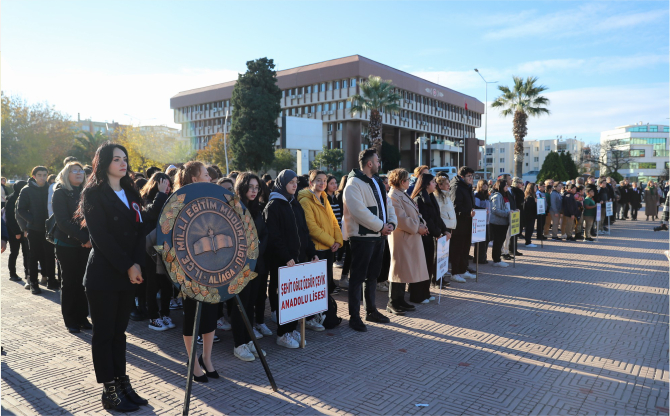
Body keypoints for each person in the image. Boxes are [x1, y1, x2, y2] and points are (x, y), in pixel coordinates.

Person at [75, 143, 148, 411]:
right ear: (104, 163)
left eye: (125, 159)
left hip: (129, 272)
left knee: (120, 333)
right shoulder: (93, 194)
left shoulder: (131, 191)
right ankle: (109, 390)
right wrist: (128, 265)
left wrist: (138, 263)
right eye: (116, 159)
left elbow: (140, 231)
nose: (122, 163)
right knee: (104, 334)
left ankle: (121, 382)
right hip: (104, 275)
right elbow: (100, 238)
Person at [171, 162, 222, 381]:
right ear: (194, 178)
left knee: (211, 314)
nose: (210, 178)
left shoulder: (212, 200)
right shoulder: (178, 202)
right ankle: (193, 363)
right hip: (189, 270)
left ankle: (207, 358)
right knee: (192, 315)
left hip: (212, 267)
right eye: (205, 175)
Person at [341, 149, 397, 332]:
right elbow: (359, 212)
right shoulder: (353, 184)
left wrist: (392, 223)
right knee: (357, 278)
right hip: (362, 238)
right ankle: (354, 316)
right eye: (377, 161)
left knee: (372, 276)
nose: (379, 164)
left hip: (378, 236)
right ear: (369, 163)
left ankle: (371, 310)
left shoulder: (376, 181)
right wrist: (381, 226)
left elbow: (387, 203)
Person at [264, 169, 319, 348]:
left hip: (299, 259)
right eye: (291, 182)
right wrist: (286, 257)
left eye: (296, 182)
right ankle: (282, 333)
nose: (295, 185)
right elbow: (274, 237)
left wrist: (311, 252)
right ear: (282, 184)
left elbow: (304, 231)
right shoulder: (273, 206)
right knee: (285, 299)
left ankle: (291, 328)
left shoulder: (295, 204)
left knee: (297, 298)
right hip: (284, 261)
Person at [229, 172, 269, 361]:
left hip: (257, 265)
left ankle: (249, 339)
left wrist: (259, 249)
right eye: (250, 187)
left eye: (256, 188)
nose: (254, 191)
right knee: (241, 306)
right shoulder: (234, 208)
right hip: (240, 266)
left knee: (251, 304)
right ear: (242, 187)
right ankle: (239, 344)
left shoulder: (257, 208)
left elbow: (264, 234)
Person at [297, 170, 343, 329]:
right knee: (314, 286)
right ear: (311, 183)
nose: (322, 183)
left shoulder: (325, 198)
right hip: (317, 249)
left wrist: (338, 240)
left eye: (324, 180)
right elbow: (312, 228)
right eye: (318, 180)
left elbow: (334, 222)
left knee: (325, 285)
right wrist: (332, 242)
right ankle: (310, 318)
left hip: (329, 248)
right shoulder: (305, 200)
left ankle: (321, 314)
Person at [52, 162, 92, 333]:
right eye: (74, 171)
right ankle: (71, 320)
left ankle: (83, 317)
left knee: (84, 282)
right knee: (70, 282)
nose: (79, 173)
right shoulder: (60, 193)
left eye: (81, 170)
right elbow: (62, 221)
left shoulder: (87, 193)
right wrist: (83, 238)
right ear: (66, 174)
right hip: (67, 244)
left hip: (87, 244)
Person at [386, 168, 427, 314]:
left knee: (404, 270)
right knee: (398, 269)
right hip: (401, 238)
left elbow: (414, 213)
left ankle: (400, 300)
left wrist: (422, 224)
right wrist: (418, 228)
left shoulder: (401, 194)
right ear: (402, 181)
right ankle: (392, 302)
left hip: (408, 237)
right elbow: (401, 219)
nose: (409, 182)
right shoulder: (393, 196)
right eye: (408, 180)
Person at [139, 173, 173, 332]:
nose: (167, 188)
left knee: (167, 283)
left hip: (166, 248)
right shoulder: (144, 201)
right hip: (150, 250)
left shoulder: (170, 199)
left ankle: (165, 313)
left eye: (168, 185)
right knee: (152, 284)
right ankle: (153, 317)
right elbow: (150, 214)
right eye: (163, 184)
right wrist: (160, 194)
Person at [17, 166, 56, 293]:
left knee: (50, 255)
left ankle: (51, 280)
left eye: (45, 175)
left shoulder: (50, 189)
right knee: (33, 256)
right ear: (34, 176)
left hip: (49, 229)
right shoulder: (26, 190)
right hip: (34, 229)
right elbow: (20, 209)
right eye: (40, 175)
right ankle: (34, 282)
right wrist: (32, 220)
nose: (42, 177)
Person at [411, 173, 450, 301]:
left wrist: (444, 230)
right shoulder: (419, 199)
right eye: (433, 182)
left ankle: (425, 292)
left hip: (430, 237)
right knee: (421, 266)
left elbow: (437, 217)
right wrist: (438, 233)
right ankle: (417, 295)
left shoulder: (431, 197)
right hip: (423, 237)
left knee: (428, 265)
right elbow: (426, 219)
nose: (435, 184)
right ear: (427, 184)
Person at [449, 167, 476, 280]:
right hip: (458, 225)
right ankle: (455, 273)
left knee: (465, 249)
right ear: (462, 177)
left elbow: (470, 205)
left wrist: (480, 209)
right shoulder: (456, 188)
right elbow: (455, 207)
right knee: (457, 249)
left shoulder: (467, 187)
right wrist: (467, 213)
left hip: (468, 224)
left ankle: (463, 270)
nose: (471, 178)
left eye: (471, 176)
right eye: (469, 176)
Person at [6, 181, 29, 281]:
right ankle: (12, 274)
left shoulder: (23, 197)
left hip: (24, 230)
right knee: (14, 253)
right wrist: (16, 232)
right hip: (15, 232)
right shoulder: (12, 199)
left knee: (26, 253)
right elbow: (10, 218)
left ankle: (27, 273)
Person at [489, 179, 511, 267]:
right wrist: (507, 214)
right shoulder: (497, 196)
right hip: (498, 223)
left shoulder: (504, 195)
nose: (507, 187)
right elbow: (495, 210)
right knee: (498, 242)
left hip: (503, 222)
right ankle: (496, 260)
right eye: (505, 185)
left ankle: (498, 258)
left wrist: (511, 211)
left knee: (501, 241)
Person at [336, 175, 351, 285]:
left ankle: (345, 276)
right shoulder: (341, 194)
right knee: (346, 249)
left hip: (345, 225)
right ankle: (343, 277)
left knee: (348, 251)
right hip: (343, 225)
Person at [472, 180, 491, 266]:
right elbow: (476, 207)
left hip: (486, 221)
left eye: (486, 184)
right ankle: (478, 258)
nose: (485, 186)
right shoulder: (477, 195)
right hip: (479, 221)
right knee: (480, 241)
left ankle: (483, 257)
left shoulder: (487, 195)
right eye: (483, 185)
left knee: (486, 240)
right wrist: (483, 210)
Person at [522, 183, 538, 247]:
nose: (536, 189)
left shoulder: (534, 196)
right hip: (529, 216)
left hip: (532, 215)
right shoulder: (529, 197)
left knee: (531, 229)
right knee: (529, 229)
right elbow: (529, 207)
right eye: (534, 187)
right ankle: (528, 242)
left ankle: (529, 241)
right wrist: (535, 202)